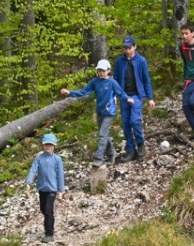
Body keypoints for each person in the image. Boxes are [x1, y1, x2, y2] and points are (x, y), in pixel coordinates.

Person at [61, 59, 121, 164]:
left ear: (108, 70)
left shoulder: (112, 82)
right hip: (100, 112)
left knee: (102, 134)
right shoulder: (95, 82)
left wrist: (128, 100)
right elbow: (83, 92)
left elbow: (121, 93)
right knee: (103, 134)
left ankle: (98, 158)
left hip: (109, 113)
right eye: (99, 70)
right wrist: (69, 92)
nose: (101, 72)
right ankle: (112, 153)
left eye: (103, 70)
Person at [111, 35, 155, 163]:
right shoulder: (119, 61)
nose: (127, 50)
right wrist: (114, 95)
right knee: (125, 124)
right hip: (124, 96)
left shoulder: (141, 61)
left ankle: (140, 145)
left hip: (137, 96)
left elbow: (146, 80)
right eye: (125, 48)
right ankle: (130, 150)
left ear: (135, 47)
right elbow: (115, 80)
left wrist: (150, 98)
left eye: (129, 47)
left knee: (135, 121)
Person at [25, 133, 65, 243]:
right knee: (43, 209)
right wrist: (28, 183)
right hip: (42, 189)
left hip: (52, 190)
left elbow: (60, 175)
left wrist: (61, 191)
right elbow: (33, 170)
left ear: (54, 146)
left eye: (50, 145)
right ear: (43, 145)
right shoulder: (39, 158)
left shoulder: (57, 159)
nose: (48, 147)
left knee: (48, 211)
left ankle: (49, 234)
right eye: (46, 145)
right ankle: (49, 223)